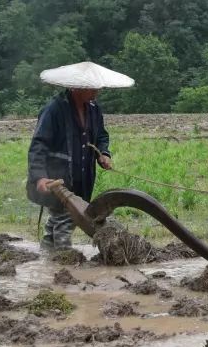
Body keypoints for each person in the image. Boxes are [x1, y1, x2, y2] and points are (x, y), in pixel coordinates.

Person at [26, 61, 133, 250]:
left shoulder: (93, 109)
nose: (97, 91)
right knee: (65, 220)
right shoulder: (54, 110)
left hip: (82, 179)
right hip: (58, 178)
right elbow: (38, 144)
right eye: (91, 87)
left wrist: (103, 153)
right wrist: (39, 176)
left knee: (58, 221)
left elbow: (101, 135)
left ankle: (47, 257)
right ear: (75, 87)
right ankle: (63, 260)